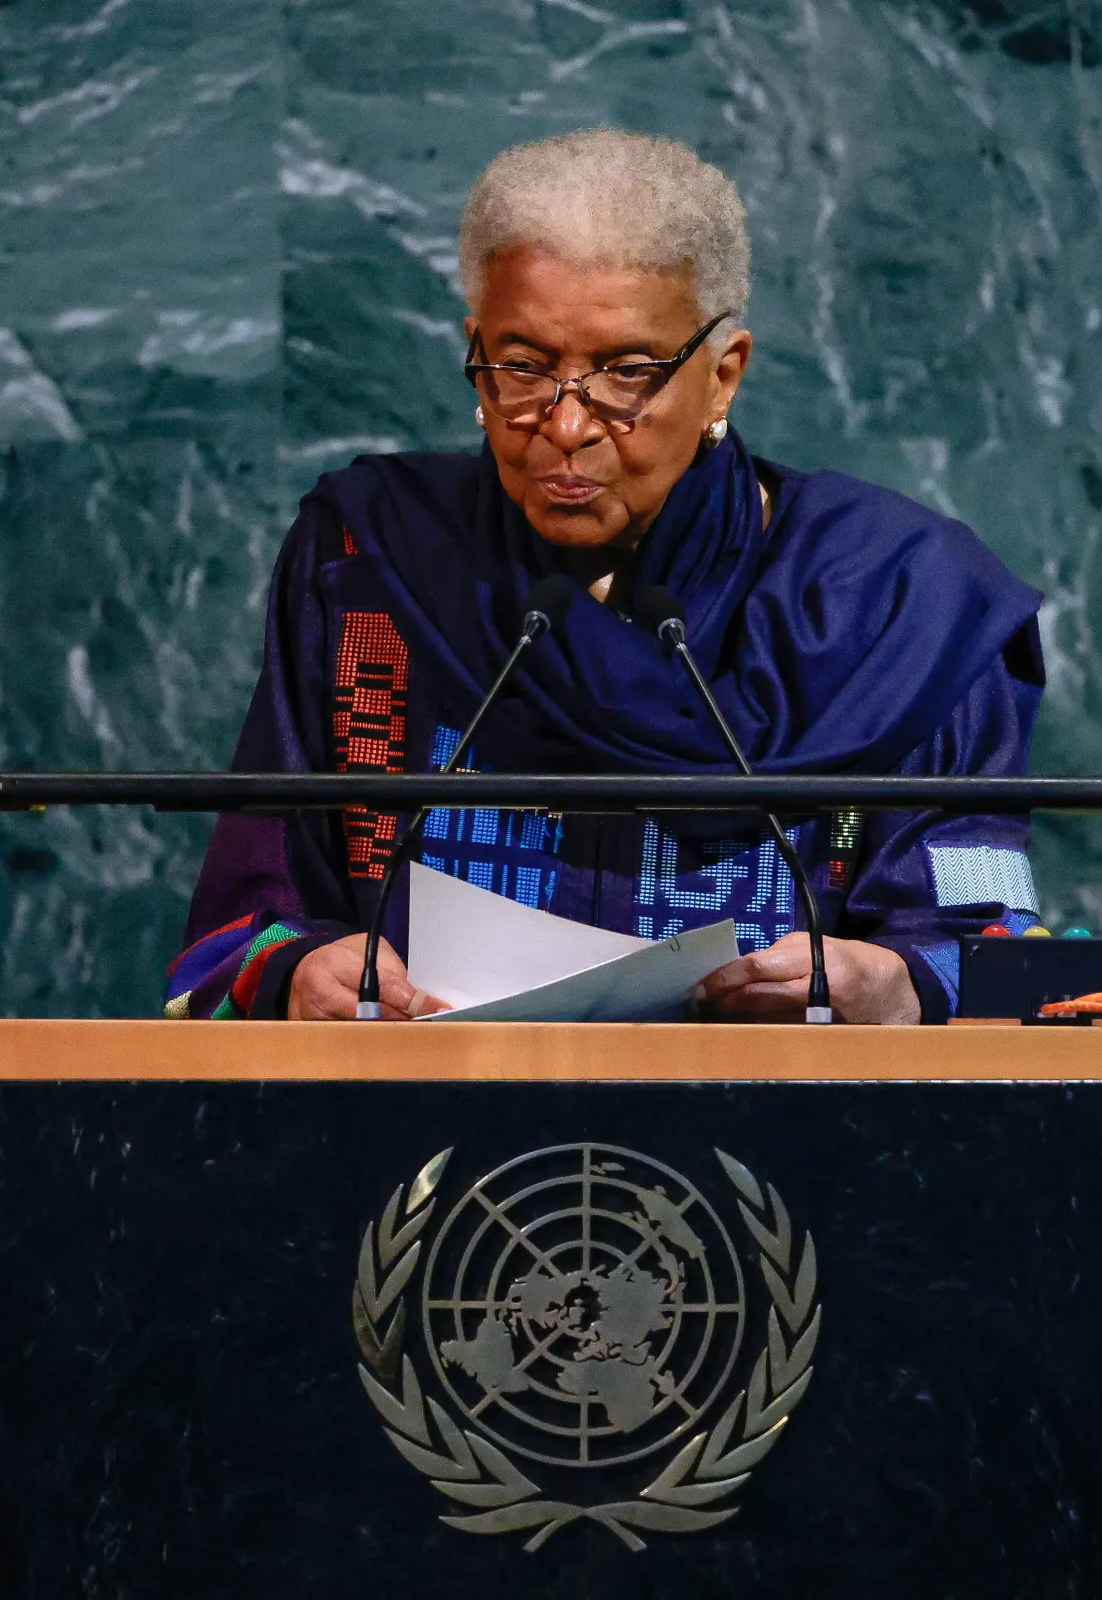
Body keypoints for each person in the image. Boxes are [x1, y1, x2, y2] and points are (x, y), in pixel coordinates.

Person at [166, 128, 1045, 1024]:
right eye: (523, 367)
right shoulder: (370, 566)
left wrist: (898, 987)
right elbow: (244, 925)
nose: (566, 426)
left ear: (723, 376)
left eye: (626, 372)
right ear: (475, 354)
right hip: (429, 1103)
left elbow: (998, 951)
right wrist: (298, 972)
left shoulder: (901, 605)